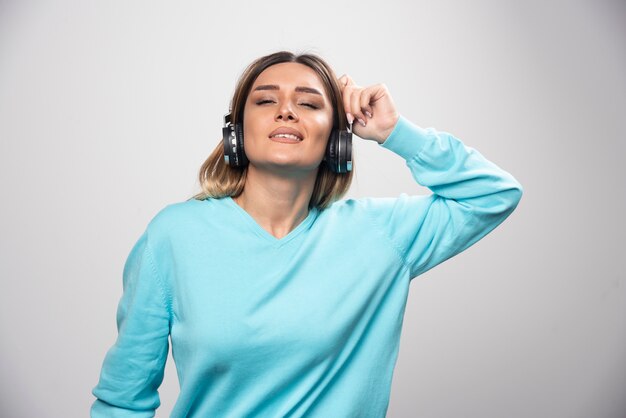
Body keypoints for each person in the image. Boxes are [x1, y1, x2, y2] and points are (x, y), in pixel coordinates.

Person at [91, 50, 523, 417]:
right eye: (265, 100)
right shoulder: (173, 236)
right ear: (236, 133)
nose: (286, 111)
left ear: (337, 138)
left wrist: (395, 133)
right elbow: (122, 400)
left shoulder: (382, 234)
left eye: (310, 103)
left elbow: (494, 194)